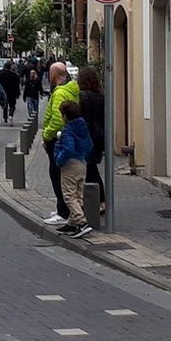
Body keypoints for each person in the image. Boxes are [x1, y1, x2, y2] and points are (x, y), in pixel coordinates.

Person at [41, 62, 79, 226]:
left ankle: (63, 212)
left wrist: (46, 135)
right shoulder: (71, 90)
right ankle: (62, 208)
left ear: (54, 75)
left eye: (50, 73)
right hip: (68, 136)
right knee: (63, 174)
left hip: (57, 139)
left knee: (57, 174)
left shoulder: (59, 93)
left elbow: (56, 119)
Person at [54, 100, 94, 238]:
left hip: (70, 164)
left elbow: (68, 148)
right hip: (82, 163)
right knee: (78, 194)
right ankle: (72, 223)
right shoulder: (83, 126)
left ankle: (81, 222)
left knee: (69, 195)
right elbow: (89, 145)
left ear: (64, 116)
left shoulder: (67, 130)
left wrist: (59, 159)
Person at [77, 68, 107, 211]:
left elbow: (80, 117)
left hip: (87, 136)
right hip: (99, 136)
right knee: (91, 167)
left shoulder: (82, 96)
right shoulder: (102, 96)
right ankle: (98, 200)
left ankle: (98, 199)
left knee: (89, 169)